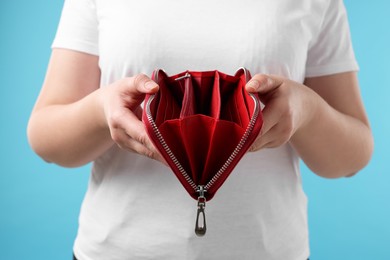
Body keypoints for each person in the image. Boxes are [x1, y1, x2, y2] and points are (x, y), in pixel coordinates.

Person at [27, 0, 373, 259]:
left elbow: (351, 158)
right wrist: (101, 112)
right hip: (114, 250)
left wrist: (307, 110)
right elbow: (45, 137)